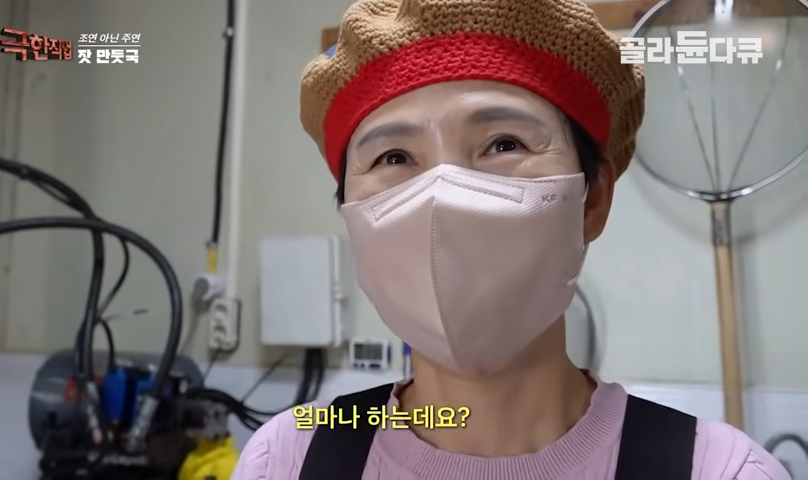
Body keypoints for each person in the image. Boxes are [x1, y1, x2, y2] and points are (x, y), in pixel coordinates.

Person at [231, 0, 791, 478]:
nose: (442, 197)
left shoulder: (717, 470)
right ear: (351, 215)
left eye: (504, 144)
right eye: (393, 157)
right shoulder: (292, 456)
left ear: (592, 200)